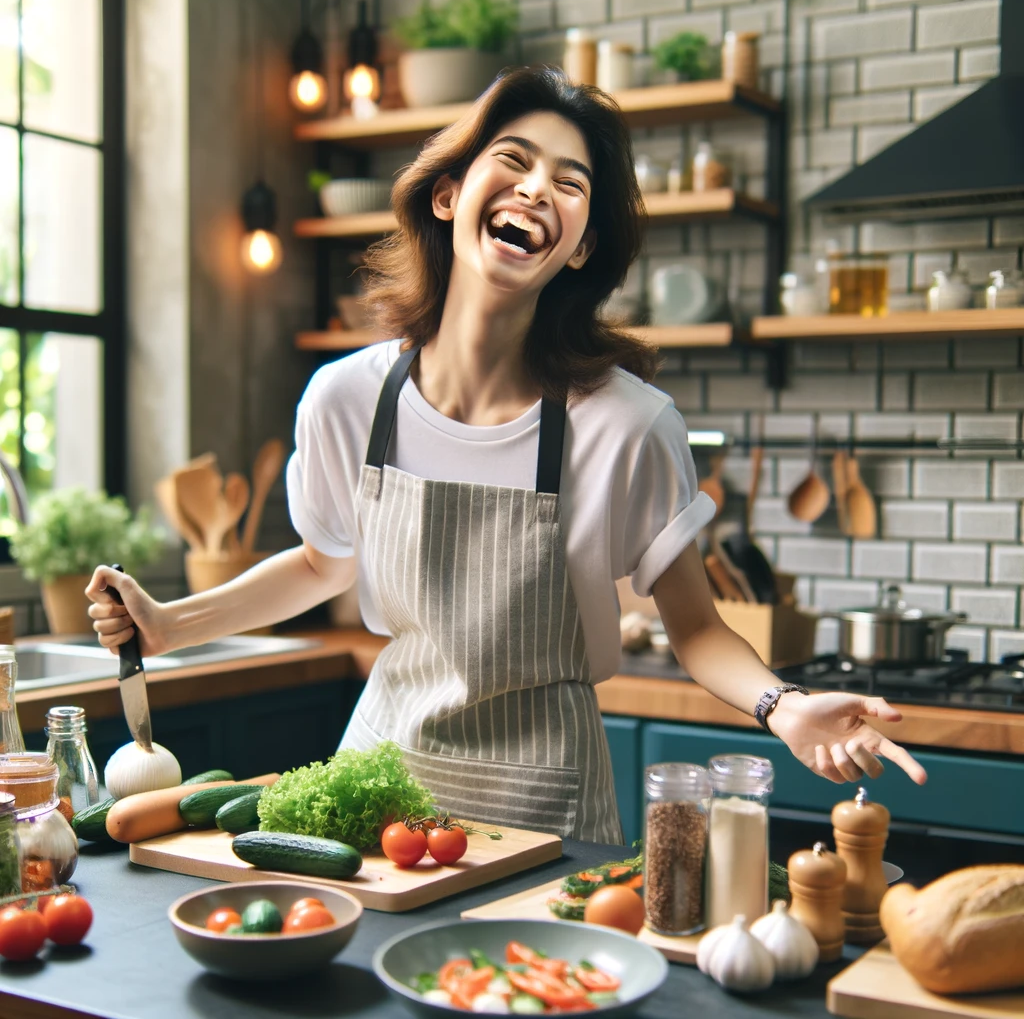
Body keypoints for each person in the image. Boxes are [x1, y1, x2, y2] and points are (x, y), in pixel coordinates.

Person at [86, 68, 926, 844]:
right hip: (376, 780)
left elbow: (698, 629)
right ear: (449, 195)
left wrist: (784, 707)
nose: (536, 189)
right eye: (515, 161)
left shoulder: (627, 426)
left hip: (542, 801)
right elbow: (320, 564)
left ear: (581, 246)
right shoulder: (349, 398)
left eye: (570, 183)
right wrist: (168, 626)